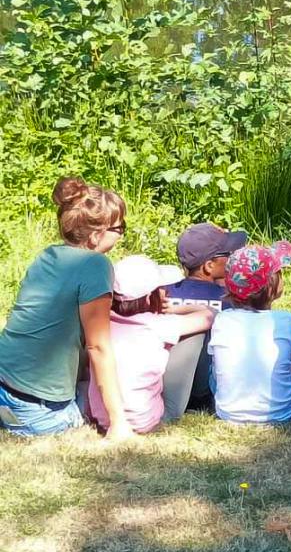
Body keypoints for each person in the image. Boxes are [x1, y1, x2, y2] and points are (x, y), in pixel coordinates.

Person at [0, 177, 133, 439]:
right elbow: (98, 347)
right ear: (96, 235)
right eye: (120, 228)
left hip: (4, 383)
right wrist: (119, 423)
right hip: (36, 409)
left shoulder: (48, 255)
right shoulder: (96, 265)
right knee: (107, 398)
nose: (122, 235)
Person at [88, 256, 215, 433]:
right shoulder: (159, 324)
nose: (166, 292)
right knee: (194, 335)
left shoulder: (100, 324)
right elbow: (211, 315)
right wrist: (175, 308)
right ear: (149, 297)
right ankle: (200, 398)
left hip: (103, 418)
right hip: (145, 421)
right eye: (162, 288)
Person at [208, 242, 291, 424]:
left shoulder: (222, 320)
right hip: (282, 411)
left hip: (228, 413)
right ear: (272, 285)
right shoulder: (288, 321)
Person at [161, 223, 248, 417]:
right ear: (209, 266)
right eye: (229, 255)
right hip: (210, 393)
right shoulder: (231, 300)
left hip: (165, 388)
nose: (233, 259)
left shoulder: (162, 292)